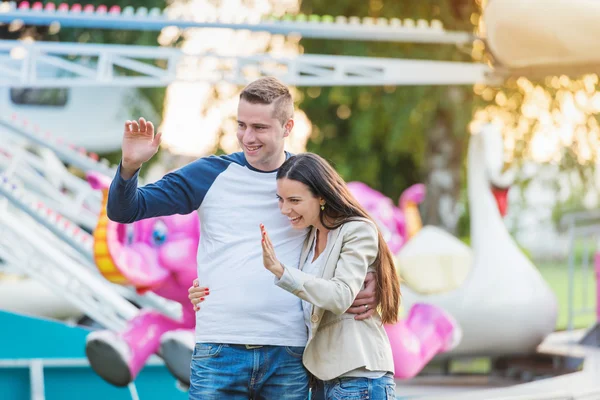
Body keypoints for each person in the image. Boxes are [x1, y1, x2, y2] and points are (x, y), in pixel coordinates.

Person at [106, 76, 378, 399]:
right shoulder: (207, 175)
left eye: (260, 128)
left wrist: (374, 277)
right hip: (218, 349)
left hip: (289, 353)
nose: (247, 137)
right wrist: (128, 168)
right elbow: (126, 210)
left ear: (287, 126)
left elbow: (358, 228)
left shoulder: (308, 180)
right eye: (242, 125)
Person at [191, 153, 400, 399]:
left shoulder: (356, 230)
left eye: (294, 200)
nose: (284, 209)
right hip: (325, 377)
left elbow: (341, 295)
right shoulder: (309, 236)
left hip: (359, 377)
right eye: (280, 199)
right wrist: (210, 287)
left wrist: (281, 271)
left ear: (322, 196)